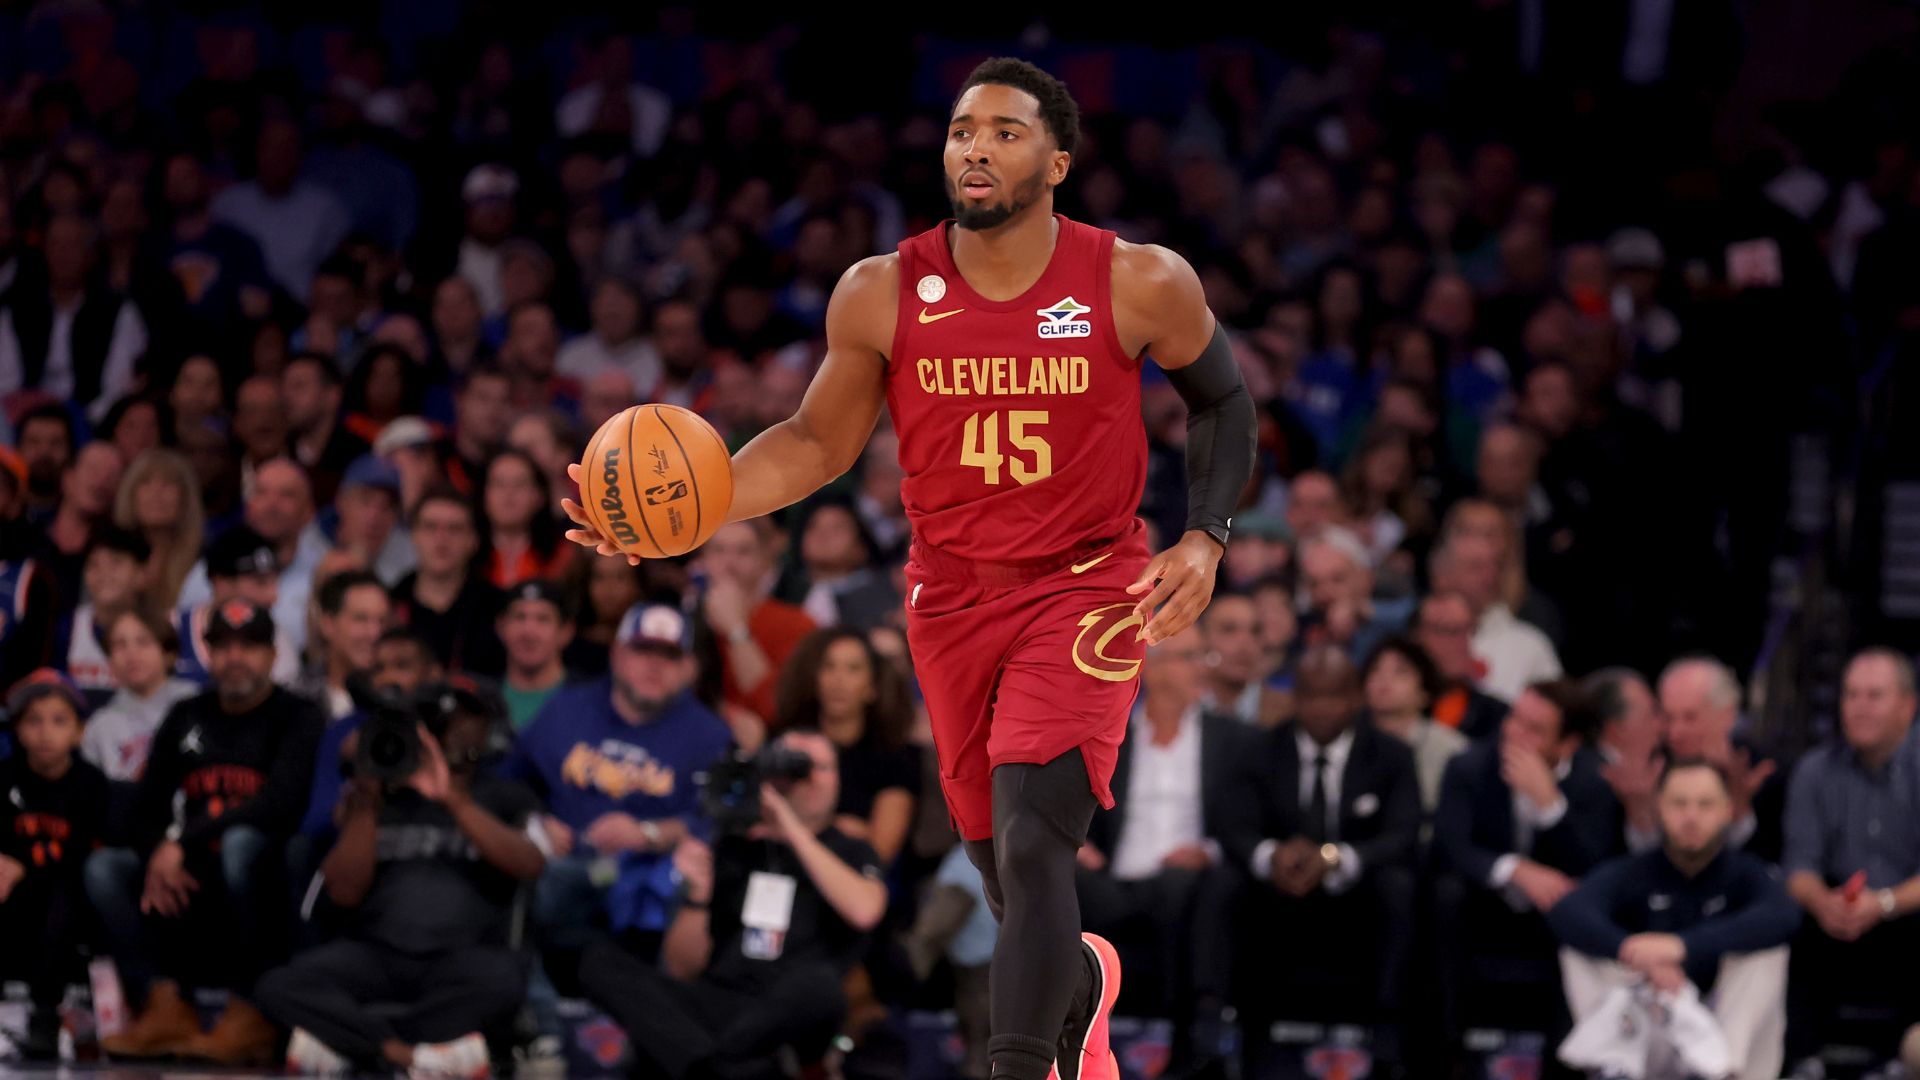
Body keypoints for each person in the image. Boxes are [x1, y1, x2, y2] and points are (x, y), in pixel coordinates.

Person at [563, 58, 1256, 1080]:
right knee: (1002, 871)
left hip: (1085, 586)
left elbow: (1223, 401)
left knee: (1034, 842)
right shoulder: (881, 290)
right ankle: (1082, 986)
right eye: (963, 129)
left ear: (1058, 162)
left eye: (1007, 132)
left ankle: (1017, 1067)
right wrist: (686, 514)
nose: (977, 147)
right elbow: (816, 444)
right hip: (950, 597)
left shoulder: (1137, 278)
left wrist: (1205, 536)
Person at [255, 682, 545, 1077]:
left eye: (461, 720)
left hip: (461, 958)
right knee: (278, 986)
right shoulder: (379, 798)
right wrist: (367, 801)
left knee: (506, 983)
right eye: (438, 724)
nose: (448, 734)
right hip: (376, 955)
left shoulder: (504, 796)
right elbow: (343, 893)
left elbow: (529, 865)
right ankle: (408, 1055)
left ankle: (352, 1043)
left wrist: (452, 799)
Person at [577, 730, 887, 1079]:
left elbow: (865, 911)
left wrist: (791, 829)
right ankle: (714, 1068)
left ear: (838, 778)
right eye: (797, 767)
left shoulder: (851, 850)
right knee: (599, 963)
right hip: (720, 1000)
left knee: (820, 986)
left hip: (791, 1013)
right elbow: (681, 967)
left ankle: (711, 1066)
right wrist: (698, 895)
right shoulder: (734, 846)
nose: (810, 778)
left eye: (822, 768)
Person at [97, 600, 325, 1065]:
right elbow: (145, 808)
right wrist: (158, 850)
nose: (235, 657)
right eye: (223, 647)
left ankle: (253, 1011)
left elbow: (278, 805)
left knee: (241, 845)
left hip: (263, 880)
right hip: (191, 881)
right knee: (105, 868)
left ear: (272, 655)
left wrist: (181, 843)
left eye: (249, 646)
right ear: (207, 654)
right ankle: (163, 1005)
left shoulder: (297, 715)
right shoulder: (187, 714)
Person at [1222, 646, 1421, 1065]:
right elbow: (1235, 827)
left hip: (1356, 895)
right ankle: (1218, 1029)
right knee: (1224, 883)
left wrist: (1335, 858)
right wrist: (1272, 856)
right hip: (1278, 893)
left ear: (1356, 697)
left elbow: (1403, 836)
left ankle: (1390, 1033)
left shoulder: (1391, 756)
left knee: (1399, 886)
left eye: (1334, 696)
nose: (1322, 707)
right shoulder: (1260, 750)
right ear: (1295, 698)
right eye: (1311, 695)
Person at [1550, 760, 1800, 1080]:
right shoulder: (1635, 870)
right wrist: (1631, 950)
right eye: (1679, 804)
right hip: (1650, 1028)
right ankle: (1614, 1064)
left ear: (1727, 810)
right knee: (1579, 951)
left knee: (1768, 952)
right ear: (1659, 808)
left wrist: (1682, 946)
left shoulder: (1746, 873)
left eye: (1705, 804)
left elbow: (1783, 915)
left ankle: (1720, 1072)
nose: (1691, 816)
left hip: (1721, 1030)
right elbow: (1568, 912)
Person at [1075, 628, 1244, 1075]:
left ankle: (1185, 1037)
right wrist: (1077, 843)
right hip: (1113, 878)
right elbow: (1072, 801)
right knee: (1058, 874)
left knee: (1184, 886)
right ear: (1153, 668)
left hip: (1186, 882)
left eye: (1202, 656)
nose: (1202, 669)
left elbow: (1245, 821)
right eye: (1190, 657)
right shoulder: (1109, 735)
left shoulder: (1229, 739)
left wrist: (1208, 851)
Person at [1432, 679, 1622, 1040]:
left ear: (1567, 744)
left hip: (1553, 913)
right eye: (1514, 718)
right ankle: (1445, 1044)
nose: (1514, 734)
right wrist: (1516, 870)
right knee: (1445, 894)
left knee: (1582, 906)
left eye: (1534, 730)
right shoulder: (1469, 766)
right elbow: (1450, 847)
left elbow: (1597, 867)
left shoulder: (1594, 780)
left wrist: (1550, 807)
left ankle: (1570, 1053)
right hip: (1485, 903)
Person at [1781, 648, 1920, 1070]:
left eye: (1874, 696)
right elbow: (1798, 867)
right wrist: (1824, 902)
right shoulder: (1814, 770)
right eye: (1850, 695)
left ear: (1908, 706)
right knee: (1783, 920)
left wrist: (1885, 904)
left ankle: (1902, 1061)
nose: (1859, 707)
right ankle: (1801, 1061)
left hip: (1907, 910)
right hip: (1837, 916)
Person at [0, 670, 108, 1060]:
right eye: (34, 720)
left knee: (59, 898)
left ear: (79, 732)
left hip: (70, 904)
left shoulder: (91, 784)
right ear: (17, 730)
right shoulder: (5, 778)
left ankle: (45, 1016)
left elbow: (91, 855)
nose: (45, 732)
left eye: (59, 720)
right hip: (13, 898)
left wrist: (24, 866)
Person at [772, 627, 922, 867]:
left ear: (872, 687)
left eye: (853, 669)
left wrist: (801, 826)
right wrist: (838, 828)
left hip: (857, 875)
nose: (838, 680)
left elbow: (881, 850)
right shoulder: (786, 743)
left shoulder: (895, 758)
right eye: (828, 666)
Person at [1654, 656, 1783, 860]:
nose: (1674, 733)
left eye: (1690, 717)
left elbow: (1770, 863)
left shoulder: (1764, 773)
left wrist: (1740, 812)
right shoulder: (1649, 770)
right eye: (1668, 718)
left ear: (1727, 715)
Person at [389, 487, 507, 677]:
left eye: (454, 529)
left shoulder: (500, 608)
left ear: (474, 540)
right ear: (413, 536)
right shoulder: (389, 604)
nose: (442, 539)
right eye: (430, 527)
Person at [1362, 635, 1470, 813]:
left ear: (1424, 693)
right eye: (1375, 669)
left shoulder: (1454, 751)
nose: (1384, 679)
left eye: (1400, 672)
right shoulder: (1348, 741)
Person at [54, 524, 150, 708]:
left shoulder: (165, 627)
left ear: (141, 574)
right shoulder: (69, 627)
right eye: (94, 564)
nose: (103, 573)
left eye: (116, 562)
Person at [1415, 591, 1510, 739]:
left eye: (1467, 631)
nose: (1461, 643)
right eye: (1446, 630)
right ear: (1418, 637)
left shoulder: (1497, 716)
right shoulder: (1394, 707)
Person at [497, 579, 575, 731]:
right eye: (519, 617)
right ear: (501, 627)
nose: (529, 631)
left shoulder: (591, 701)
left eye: (543, 619)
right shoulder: (478, 700)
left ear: (566, 632)